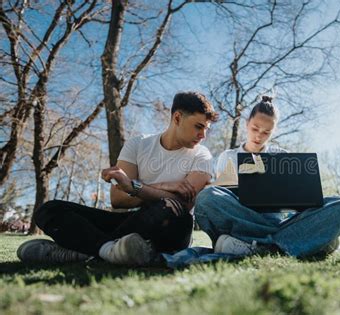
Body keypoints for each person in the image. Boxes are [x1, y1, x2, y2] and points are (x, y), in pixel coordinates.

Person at [17, 91, 218, 266]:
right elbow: (118, 199)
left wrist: (134, 187)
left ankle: (82, 251)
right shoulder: (138, 144)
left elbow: (182, 202)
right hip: (134, 222)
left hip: (168, 227)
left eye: (206, 129)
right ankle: (108, 252)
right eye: (198, 127)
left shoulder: (202, 156)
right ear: (177, 118)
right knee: (50, 209)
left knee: (170, 209)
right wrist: (163, 187)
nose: (203, 135)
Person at [194, 96, 340, 258]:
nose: (259, 136)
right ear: (246, 124)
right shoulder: (228, 156)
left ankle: (261, 246)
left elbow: (298, 203)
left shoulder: (282, 156)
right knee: (206, 197)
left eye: (266, 132)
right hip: (243, 219)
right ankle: (299, 242)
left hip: (281, 222)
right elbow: (221, 197)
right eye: (255, 129)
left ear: (273, 132)